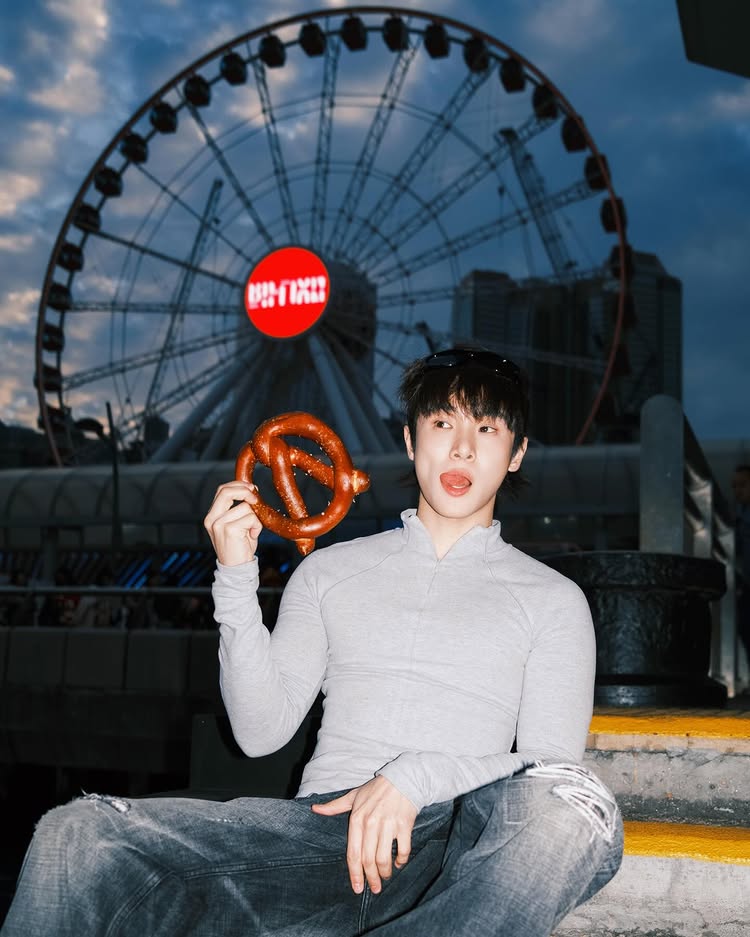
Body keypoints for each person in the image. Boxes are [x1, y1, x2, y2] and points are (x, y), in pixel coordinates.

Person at [0, 346, 623, 936]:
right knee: (77, 833)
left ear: (516, 453)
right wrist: (235, 578)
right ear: (411, 441)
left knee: (577, 807)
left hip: (454, 842)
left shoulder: (553, 599)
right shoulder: (328, 572)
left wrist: (420, 777)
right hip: (316, 837)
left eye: (486, 429)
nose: (461, 448)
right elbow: (259, 731)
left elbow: (549, 767)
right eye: (442, 423)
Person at [731, 463, 750, 679]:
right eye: (735, 486)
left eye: (743, 485)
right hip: (747, 584)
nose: (737, 490)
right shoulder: (740, 513)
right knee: (745, 628)